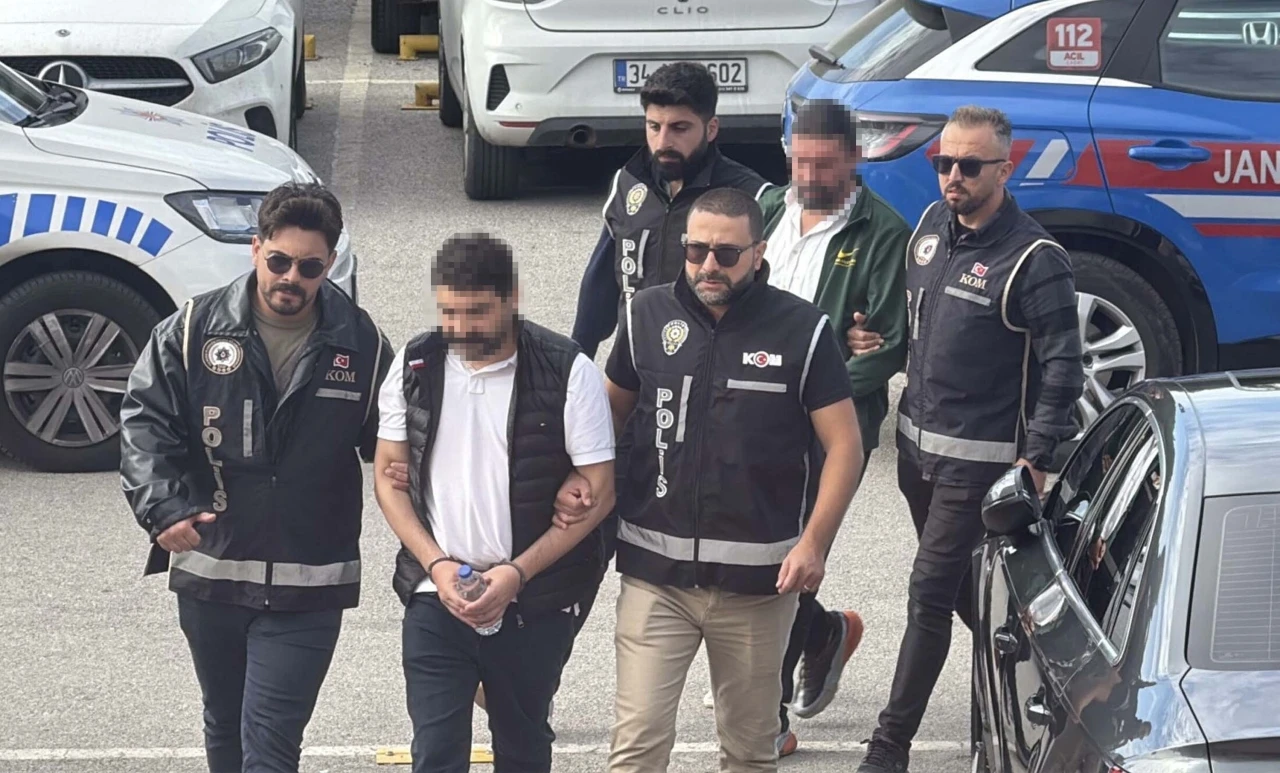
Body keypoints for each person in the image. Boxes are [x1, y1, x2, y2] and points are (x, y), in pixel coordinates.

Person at [119, 182, 395, 773]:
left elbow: (400, 449)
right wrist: (163, 508)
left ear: (330, 264)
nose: (291, 277)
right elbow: (145, 424)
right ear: (255, 248)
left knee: (269, 739)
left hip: (309, 581)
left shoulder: (362, 345)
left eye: (310, 267)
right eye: (278, 261)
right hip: (211, 574)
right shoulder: (190, 331)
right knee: (225, 724)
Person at [851, 105, 1084, 773]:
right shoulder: (930, 229)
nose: (953, 175)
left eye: (969, 166)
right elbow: (917, 326)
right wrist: (870, 337)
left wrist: (1036, 460)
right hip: (916, 457)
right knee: (964, 595)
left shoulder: (1035, 260)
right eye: (943, 162)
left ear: (1004, 170)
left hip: (978, 468)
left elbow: (1064, 367)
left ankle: (888, 748)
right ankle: (1030, 690)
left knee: (928, 592)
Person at [604, 187, 864, 773]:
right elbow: (607, 417)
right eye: (696, 251)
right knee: (636, 748)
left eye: (726, 254)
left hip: (759, 586)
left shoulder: (803, 330)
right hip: (655, 578)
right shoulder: (645, 316)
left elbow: (845, 446)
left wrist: (814, 543)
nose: (708, 266)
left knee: (749, 753)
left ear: (758, 253)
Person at [372, 233, 617, 773]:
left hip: (534, 600)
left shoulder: (566, 368)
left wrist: (517, 573)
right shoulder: (414, 363)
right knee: (435, 752)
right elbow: (388, 480)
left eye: (477, 312)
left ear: (513, 298)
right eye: (449, 313)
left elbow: (599, 493)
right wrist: (436, 565)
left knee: (523, 748)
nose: (460, 328)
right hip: (436, 593)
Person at [754, 98, 911, 756]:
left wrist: (821, 392)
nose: (809, 175)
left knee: (789, 557)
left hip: (825, 430)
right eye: (800, 160)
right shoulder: (766, 208)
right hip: (753, 417)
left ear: (854, 158)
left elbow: (889, 345)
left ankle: (768, 719)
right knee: (754, 552)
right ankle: (822, 633)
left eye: (823, 163)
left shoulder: (884, 232)